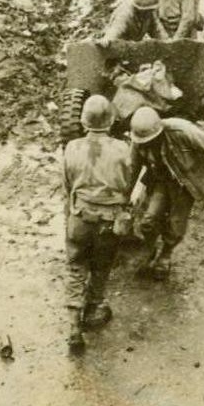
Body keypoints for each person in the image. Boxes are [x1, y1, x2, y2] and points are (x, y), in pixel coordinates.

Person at [128, 106, 204, 280]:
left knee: (176, 224)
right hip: (161, 181)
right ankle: (150, 247)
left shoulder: (181, 130)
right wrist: (123, 197)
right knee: (148, 219)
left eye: (150, 140)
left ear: (159, 132)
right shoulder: (138, 141)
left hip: (186, 181)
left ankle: (165, 255)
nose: (146, 144)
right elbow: (132, 169)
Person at [62, 94, 141, 354]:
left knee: (75, 268)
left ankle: (74, 326)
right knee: (101, 266)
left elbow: (67, 185)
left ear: (84, 121)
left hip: (80, 218)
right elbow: (129, 184)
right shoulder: (122, 149)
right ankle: (95, 307)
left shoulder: (71, 147)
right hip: (109, 221)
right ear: (110, 121)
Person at [99, 0, 167, 45]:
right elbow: (117, 28)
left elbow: (157, 30)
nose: (149, 12)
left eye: (151, 10)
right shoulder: (126, 12)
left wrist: (167, 43)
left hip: (133, 46)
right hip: (119, 46)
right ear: (138, 8)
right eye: (146, 11)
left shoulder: (149, 12)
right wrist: (108, 39)